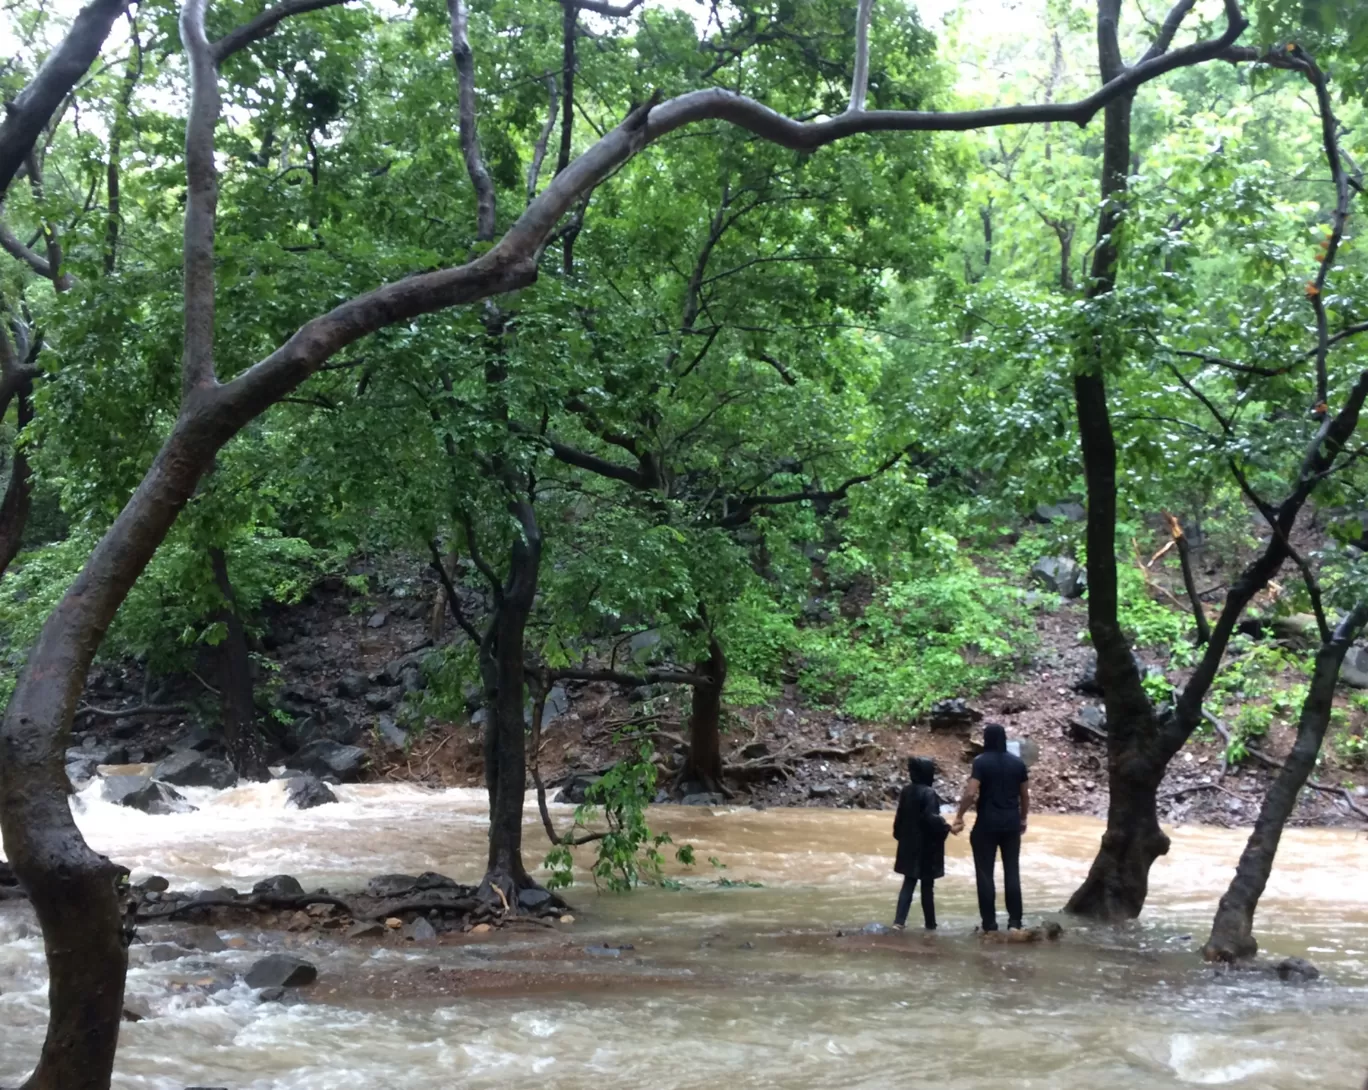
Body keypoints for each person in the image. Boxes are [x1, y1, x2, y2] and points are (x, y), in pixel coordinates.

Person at [951, 722, 1029, 932]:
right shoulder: (1018, 764)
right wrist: (1023, 819)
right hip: (1011, 824)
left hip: (986, 825)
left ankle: (990, 924)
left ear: (986, 740)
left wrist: (959, 815)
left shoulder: (981, 762)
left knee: (985, 874)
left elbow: (970, 792)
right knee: (1012, 871)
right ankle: (1015, 922)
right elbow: (1024, 795)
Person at [892, 756, 952, 930]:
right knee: (927, 887)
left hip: (909, 845)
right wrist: (947, 827)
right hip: (927, 848)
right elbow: (932, 819)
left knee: (908, 883)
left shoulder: (906, 791)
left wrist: (900, 837)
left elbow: (899, 819)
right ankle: (930, 924)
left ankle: (899, 921)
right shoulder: (929, 793)